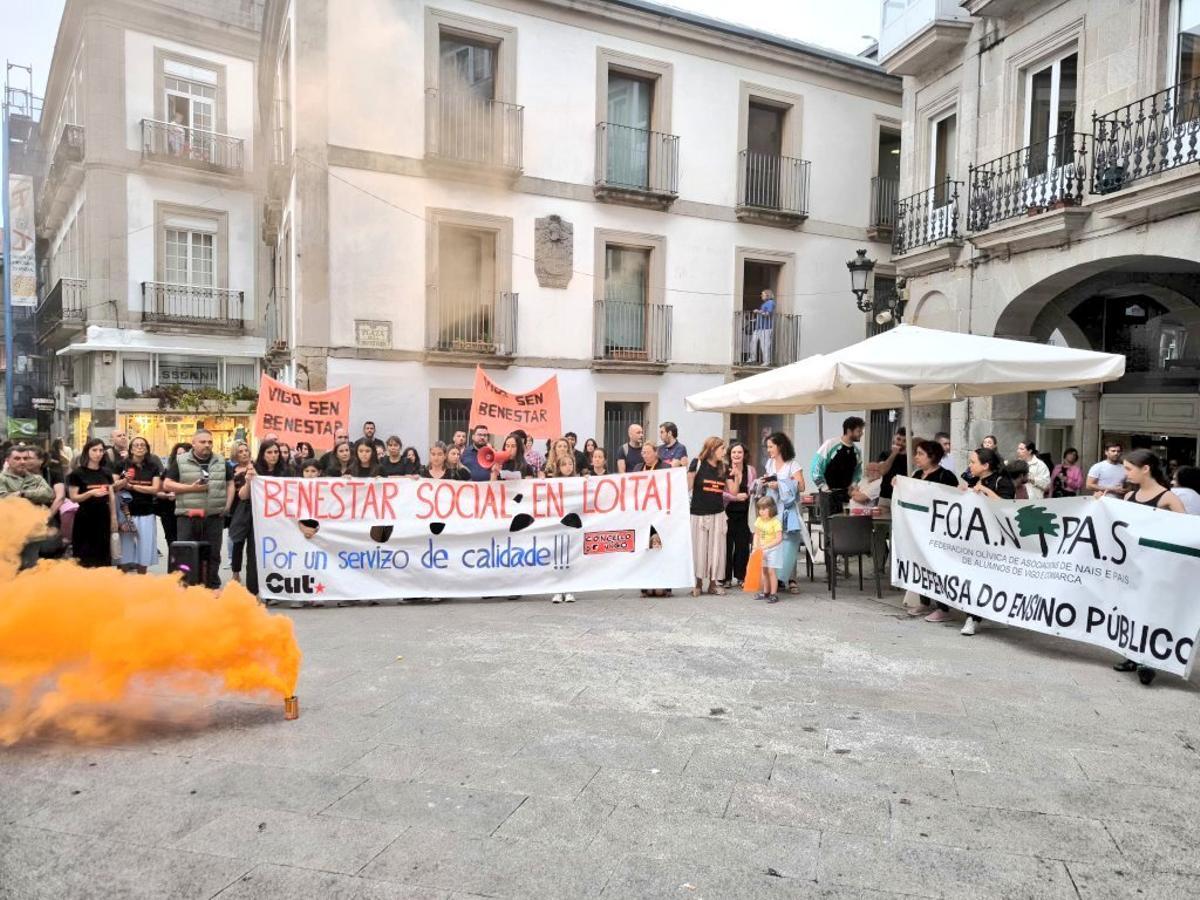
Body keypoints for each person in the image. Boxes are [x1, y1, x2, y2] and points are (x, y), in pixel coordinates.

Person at [1108, 449, 1186, 686]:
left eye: (1129, 469)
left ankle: (1149, 660)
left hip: (1159, 567)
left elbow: (1187, 531)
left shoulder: (1168, 498)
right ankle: (1131, 655)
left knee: (1153, 612)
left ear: (1146, 469)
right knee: (1132, 608)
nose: (1126, 473)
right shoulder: (1129, 498)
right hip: (1134, 564)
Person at [163, 429, 234, 589]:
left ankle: (212, 585)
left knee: (213, 554)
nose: (207, 445)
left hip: (214, 516)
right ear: (193, 443)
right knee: (185, 553)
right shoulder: (181, 461)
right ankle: (185, 585)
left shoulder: (221, 461)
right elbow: (167, 484)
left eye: (209, 442)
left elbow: (230, 483)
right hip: (188, 516)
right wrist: (191, 488)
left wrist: (227, 505)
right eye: (202, 442)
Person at [957, 446, 1015, 636]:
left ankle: (975, 618)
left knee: (988, 577)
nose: (970, 465)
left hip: (995, 539)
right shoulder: (972, 478)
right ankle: (973, 616)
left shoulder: (1002, 482)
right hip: (975, 537)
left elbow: (1005, 506)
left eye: (973, 462)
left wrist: (984, 491)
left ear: (986, 465)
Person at [904, 440, 959, 622]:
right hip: (919, 528)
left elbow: (953, 501)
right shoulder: (917, 474)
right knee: (921, 564)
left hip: (938, 530)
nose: (916, 457)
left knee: (937, 567)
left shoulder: (946, 476)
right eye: (916, 453)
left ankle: (943, 607)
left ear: (933, 456)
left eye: (920, 454)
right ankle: (924, 601)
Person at [236, 439, 288, 595]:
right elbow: (243, 496)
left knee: (280, 555)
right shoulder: (254, 469)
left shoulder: (287, 471)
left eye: (276, 452)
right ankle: (254, 591)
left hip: (281, 521)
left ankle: (278, 590)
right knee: (254, 555)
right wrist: (248, 481)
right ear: (262, 454)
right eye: (269, 452)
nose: (273, 456)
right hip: (257, 520)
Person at [759, 432, 806, 593]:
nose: (768, 450)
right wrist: (766, 481)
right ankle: (775, 579)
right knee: (774, 540)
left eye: (771, 446)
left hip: (787, 507)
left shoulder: (793, 464)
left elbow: (801, 486)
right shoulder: (770, 463)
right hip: (773, 506)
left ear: (780, 446)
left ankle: (786, 578)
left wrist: (779, 484)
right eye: (767, 447)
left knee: (788, 542)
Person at [67, 439, 117, 568]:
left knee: (103, 554)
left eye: (101, 450)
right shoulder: (77, 474)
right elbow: (74, 498)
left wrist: (113, 517)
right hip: (85, 517)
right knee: (84, 555)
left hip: (103, 516)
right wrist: (90, 493)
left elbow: (111, 496)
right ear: (87, 452)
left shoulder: (106, 472)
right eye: (94, 450)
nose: (98, 453)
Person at [688, 436, 729, 596]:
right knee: (699, 549)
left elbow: (732, 491)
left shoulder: (723, 468)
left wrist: (737, 475)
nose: (724, 452)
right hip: (698, 512)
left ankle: (713, 584)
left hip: (718, 513)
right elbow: (688, 487)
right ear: (712, 449)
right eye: (722, 449)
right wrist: (690, 474)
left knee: (716, 550)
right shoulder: (697, 463)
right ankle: (697, 583)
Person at [118, 436, 163, 574]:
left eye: (142, 445)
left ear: (147, 449)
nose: (139, 447)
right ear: (131, 449)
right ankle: (122, 583)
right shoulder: (121, 465)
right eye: (136, 445)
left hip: (146, 512)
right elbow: (114, 487)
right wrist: (125, 482)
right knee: (125, 551)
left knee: (145, 549)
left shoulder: (153, 467)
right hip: (126, 513)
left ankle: (142, 581)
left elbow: (155, 489)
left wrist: (132, 487)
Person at [811, 416, 864, 511]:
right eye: (859, 431)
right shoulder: (830, 444)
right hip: (828, 495)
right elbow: (816, 467)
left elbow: (858, 472)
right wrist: (824, 487)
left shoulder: (857, 451)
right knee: (829, 525)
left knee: (843, 524)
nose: (861, 434)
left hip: (846, 496)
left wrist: (853, 485)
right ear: (849, 431)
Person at [723, 441, 756, 587]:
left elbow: (754, 489)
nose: (736, 455)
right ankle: (726, 578)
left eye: (739, 452)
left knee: (743, 546)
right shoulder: (724, 470)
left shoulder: (750, 470)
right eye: (734, 452)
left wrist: (750, 493)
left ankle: (742, 577)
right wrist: (735, 497)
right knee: (727, 546)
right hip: (728, 512)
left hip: (745, 512)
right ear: (729, 455)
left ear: (744, 455)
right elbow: (721, 493)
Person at [226, 442, 253, 583]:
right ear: (235, 454)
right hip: (237, 510)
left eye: (246, 450)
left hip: (254, 510)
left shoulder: (256, 468)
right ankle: (235, 573)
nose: (244, 453)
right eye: (240, 451)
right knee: (237, 543)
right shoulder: (231, 470)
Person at [156, 442, 190, 550]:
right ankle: (174, 565)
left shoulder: (194, 472)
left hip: (187, 512)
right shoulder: (168, 471)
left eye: (183, 454)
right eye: (178, 454)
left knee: (187, 542)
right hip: (169, 511)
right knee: (172, 541)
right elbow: (158, 491)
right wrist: (166, 495)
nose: (180, 457)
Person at [752, 496, 783, 603]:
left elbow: (779, 539)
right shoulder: (759, 520)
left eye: (764, 509)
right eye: (760, 509)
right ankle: (766, 592)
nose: (761, 511)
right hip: (762, 549)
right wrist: (756, 546)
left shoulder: (775, 522)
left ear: (771, 508)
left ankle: (774, 594)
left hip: (773, 549)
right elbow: (756, 534)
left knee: (771, 570)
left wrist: (767, 546)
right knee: (763, 570)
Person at [877, 428, 907, 506]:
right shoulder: (885, 454)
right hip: (885, 497)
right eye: (898, 439)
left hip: (902, 499)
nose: (900, 443)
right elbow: (882, 471)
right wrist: (893, 454)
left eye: (904, 441)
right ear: (894, 438)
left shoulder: (910, 458)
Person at [746, 288, 776, 365]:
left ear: (767, 295)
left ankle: (766, 361)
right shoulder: (764, 304)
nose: (761, 296)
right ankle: (752, 358)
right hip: (759, 327)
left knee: (764, 345)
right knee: (753, 342)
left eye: (763, 294)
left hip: (766, 328)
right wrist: (755, 320)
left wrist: (758, 311)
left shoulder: (770, 302)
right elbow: (762, 315)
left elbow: (767, 314)